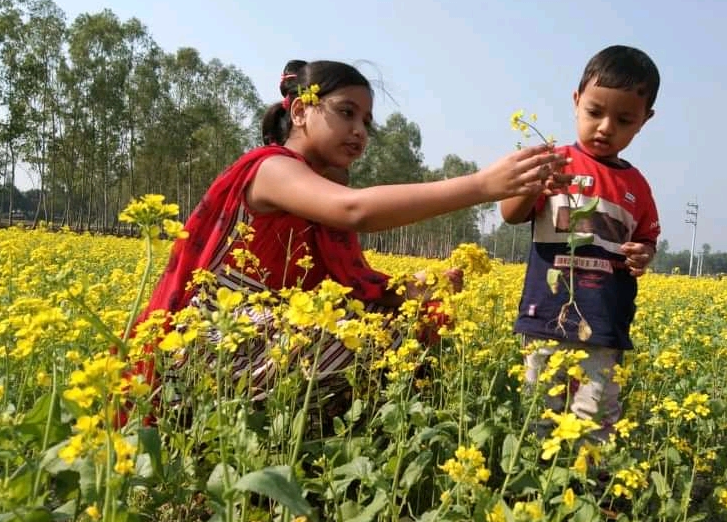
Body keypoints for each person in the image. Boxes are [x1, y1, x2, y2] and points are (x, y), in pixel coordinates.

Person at [132, 59, 566, 409]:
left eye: (366, 121)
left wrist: (410, 288)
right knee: (370, 337)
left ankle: (338, 441)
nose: (359, 130)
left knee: (410, 319)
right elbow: (355, 210)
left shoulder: (319, 184)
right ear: (299, 112)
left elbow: (338, 287)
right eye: (346, 112)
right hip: (220, 339)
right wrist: (482, 186)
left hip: (273, 333)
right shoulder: (272, 168)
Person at [500, 46, 661, 441]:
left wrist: (643, 254)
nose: (605, 127)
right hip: (546, 315)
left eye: (624, 120)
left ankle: (589, 478)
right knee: (539, 413)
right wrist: (535, 185)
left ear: (645, 121)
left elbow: (646, 240)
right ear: (576, 102)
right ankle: (536, 476)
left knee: (594, 417)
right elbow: (511, 213)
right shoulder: (552, 162)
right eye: (594, 112)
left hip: (603, 323)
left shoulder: (638, 187)